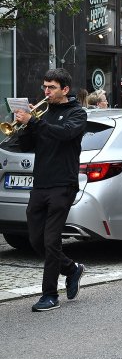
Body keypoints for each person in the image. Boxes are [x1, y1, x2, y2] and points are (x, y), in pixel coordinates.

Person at [14, 69, 87, 312]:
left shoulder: (76, 113)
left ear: (64, 90)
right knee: (36, 240)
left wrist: (34, 121)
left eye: (51, 87)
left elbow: (65, 134)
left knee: (51, 239)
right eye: (45, 87)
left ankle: (50, 295)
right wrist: (23, 126)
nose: (46, 91)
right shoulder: (42, 113)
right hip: (40, 184)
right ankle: (72, 269)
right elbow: (26, 146)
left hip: (62, 184)